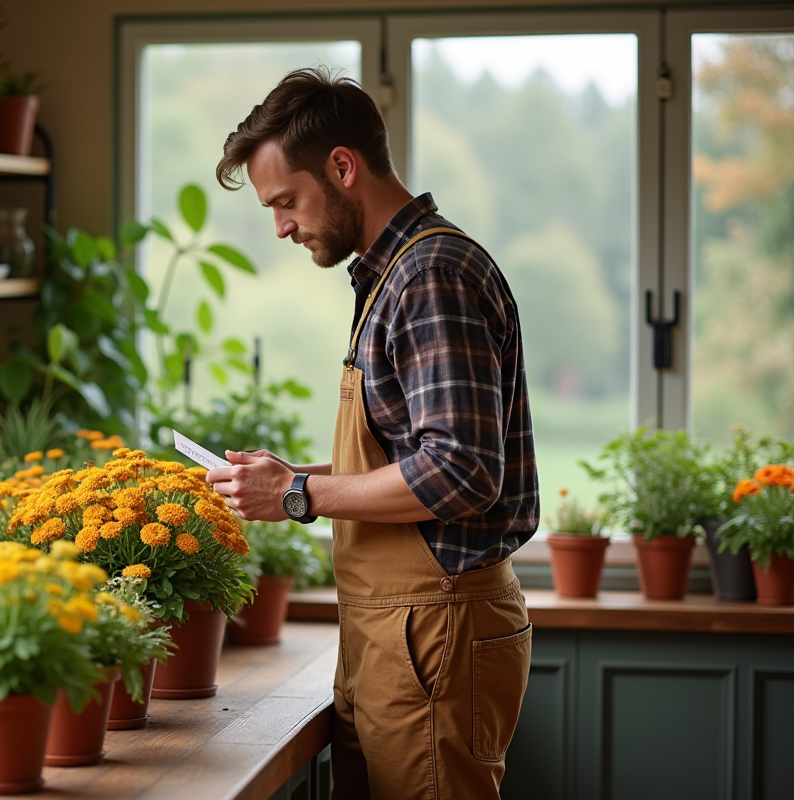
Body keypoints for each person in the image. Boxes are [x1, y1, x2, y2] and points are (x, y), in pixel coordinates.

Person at [205, 66, 539, 800]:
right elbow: (406, 453)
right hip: (399, 633)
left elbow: (459, 472)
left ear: (343, 167)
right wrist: (292, 473)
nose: (282, 226)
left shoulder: (431, 276)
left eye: (287, 201)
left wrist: (297, 493)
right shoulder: (389, 277)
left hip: (434, 631)